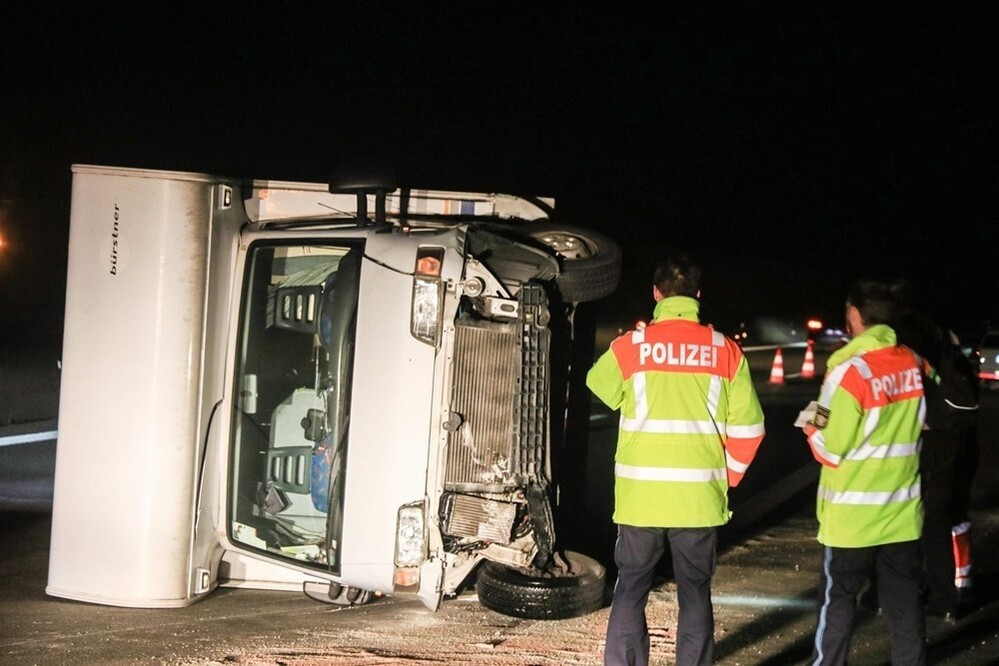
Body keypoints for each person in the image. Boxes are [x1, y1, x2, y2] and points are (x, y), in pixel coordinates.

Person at [586, 253, 765, 666]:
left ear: (656, 294)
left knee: (631, 588)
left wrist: (631, 345)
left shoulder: (633, 346)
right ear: (698, 296)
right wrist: (727, 477)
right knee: (695, 592)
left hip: (641, 497)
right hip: (698, 498)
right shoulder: (725, 350)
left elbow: (599, 385)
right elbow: (750, 429)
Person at [803, 279, 926, 665]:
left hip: (852, 518)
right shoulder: (913, 362)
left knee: (837, 601)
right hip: (901, 512)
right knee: (904, 603)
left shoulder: (849, 372)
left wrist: (810, 423)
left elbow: (830, 446)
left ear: (855, 315)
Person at [889, 280, 980, 620]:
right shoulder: (942, 332)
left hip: (923, 436)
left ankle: (913, 590)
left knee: (913, 518)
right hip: (956, 435)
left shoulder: (900, 335)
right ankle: (949, 595)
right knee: (943, 516)